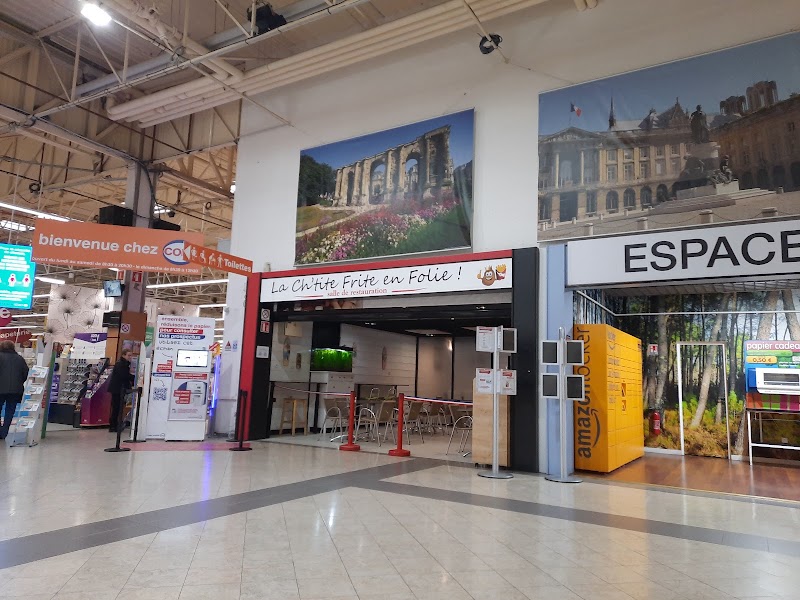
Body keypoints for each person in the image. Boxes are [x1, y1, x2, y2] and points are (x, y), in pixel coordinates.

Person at [0, 340, 30, 440]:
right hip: (15, 390)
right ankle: (4, 432)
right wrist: (19, 382)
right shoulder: (20, 359)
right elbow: (25, 373)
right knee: (10, 411)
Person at [108, 350, 134, 433]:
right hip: (118, 389)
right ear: (123, 355)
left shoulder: (123, 364)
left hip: (118, 388)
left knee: (118, 408)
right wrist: (134, 378)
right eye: (128, 355)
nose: (130, 357)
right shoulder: (121, 364)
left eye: (131, 356)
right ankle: (113, 426)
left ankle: (115, 425)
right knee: (117, 408)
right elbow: (124, 376)